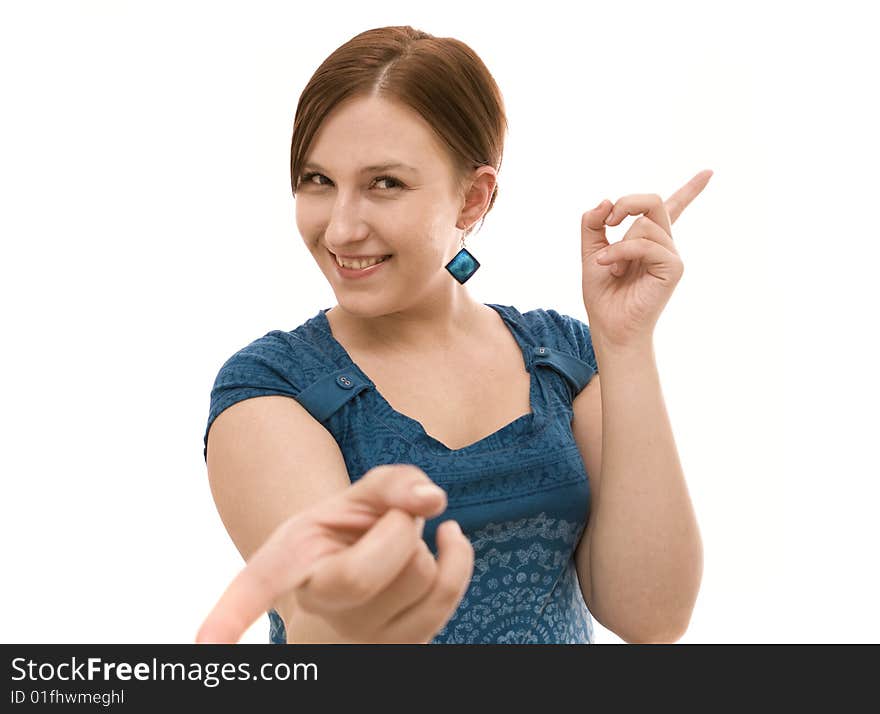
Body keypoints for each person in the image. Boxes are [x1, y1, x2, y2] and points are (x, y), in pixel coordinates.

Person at [196, 25, 708, 645]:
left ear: (472, 198)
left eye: (385, 183)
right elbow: (324, 626)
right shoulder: (272, 385)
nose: (340, 228)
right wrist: (339, 595)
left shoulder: (566, 360)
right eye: (317, 180)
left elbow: (651, 616)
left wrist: (625, 344)